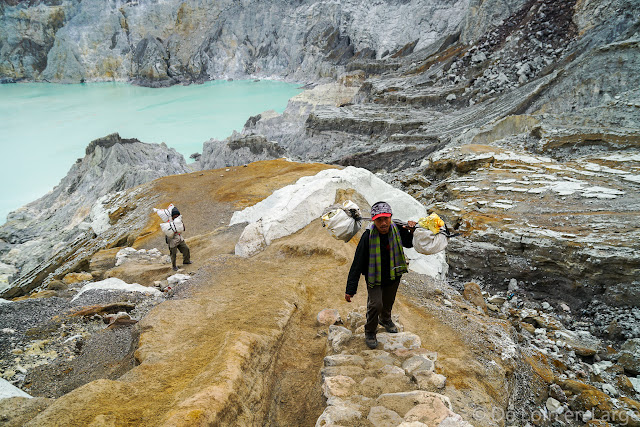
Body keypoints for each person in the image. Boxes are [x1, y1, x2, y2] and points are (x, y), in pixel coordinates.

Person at [345, 201, 416, 349]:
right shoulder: (368, 236)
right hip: (374, 276)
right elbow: (357, 263)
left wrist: (411, 230)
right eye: (379, 219)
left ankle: (385, 319)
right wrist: (350, 290)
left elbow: (409, 243)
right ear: (373, 220)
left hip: (393, 275)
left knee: (388, 302)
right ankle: (370, 330)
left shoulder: (398, 229)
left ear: (391, 217)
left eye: (386, 218)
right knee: (376, 304)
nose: (383, 223)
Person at [166, 207, 191, 271]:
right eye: (175, 216)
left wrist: (181, 223)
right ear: (172, 216)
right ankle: (174, 266)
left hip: (179, 237)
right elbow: (167, 232)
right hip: (171, 239)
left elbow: (183, 229)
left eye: (177, 215)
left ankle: (186, 261)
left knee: (186, 249)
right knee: (173, 253)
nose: (176, 217)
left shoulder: (178, 220)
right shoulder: (168, 222)